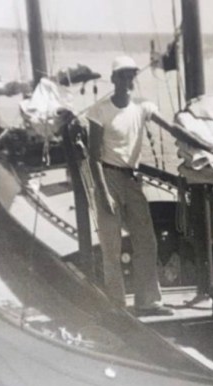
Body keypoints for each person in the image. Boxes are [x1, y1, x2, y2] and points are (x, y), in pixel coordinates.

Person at [87, 55, 175, 316]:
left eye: (131, 75)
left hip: (133, 180)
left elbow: (172, 129)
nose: (127, 80)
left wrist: (203, 143)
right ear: (113, 78)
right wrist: (103, 193)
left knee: (147, 242)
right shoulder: (99, 111)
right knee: (111, 246)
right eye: (122, 75)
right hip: (108, 178)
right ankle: (116, 305)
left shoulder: (143, 107)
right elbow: (93, 157)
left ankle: (147, 301)